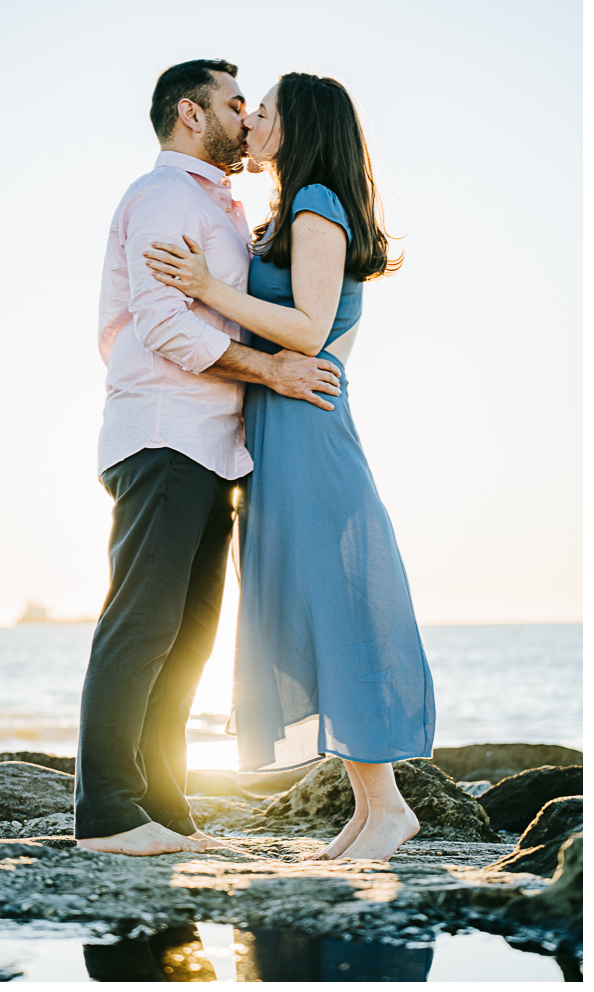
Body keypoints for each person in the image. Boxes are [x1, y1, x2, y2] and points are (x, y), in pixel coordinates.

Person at [145, 72, 436, 862]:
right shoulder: (297, 208)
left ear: (298, 125)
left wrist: (206, 286)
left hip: (306, 431)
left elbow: (308, 329)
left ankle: (386, 809)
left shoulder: (314, 205)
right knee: (314, 608)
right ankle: (370, 809)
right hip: (286, 429)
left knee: (334, 609)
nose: (251, 121)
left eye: (264, 111)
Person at [75, 60, 342, 857]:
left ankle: (166, 810)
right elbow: (164, 327)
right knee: (140, 623)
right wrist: (273, 370)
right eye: (236, 103)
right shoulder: (161, 197)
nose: (247, 116)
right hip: (162, 434)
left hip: (213, 446)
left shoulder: (221, 208)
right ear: (192, 114)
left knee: (189, 634)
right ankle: (108, 815)